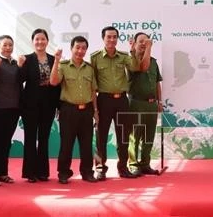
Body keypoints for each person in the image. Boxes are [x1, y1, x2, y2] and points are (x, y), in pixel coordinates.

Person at [91, 26, 141, 180]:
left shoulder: (124, 56)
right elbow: (92, 83)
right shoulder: (95, 57)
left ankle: (123, 167)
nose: (112, 40)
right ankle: (100, 168)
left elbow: (135, 67)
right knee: (101, 137)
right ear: (103, 38)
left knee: (123, 136)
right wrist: (94, 109)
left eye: (114, 37)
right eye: (108, 37)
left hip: (122, 101)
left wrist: (132, 50)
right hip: (104, 100)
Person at [50, 35, 98, 184]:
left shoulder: (89, 68)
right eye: (77, 47)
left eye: (83, 48)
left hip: (86, 111)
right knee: (66, 144)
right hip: (68, 110)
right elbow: (53, 81)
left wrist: (95, 112)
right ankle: (63, 173)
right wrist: (56, 60)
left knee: (86, 144)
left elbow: (93, 91)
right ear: (71, 48)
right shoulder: (63, 65)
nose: (80, 51)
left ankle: (87, 172)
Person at [19, 29, 60, 183]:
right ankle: (30, 172)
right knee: (30, 138)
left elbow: (57, 85)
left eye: (43, 39)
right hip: (30, 105)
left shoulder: (53, 59)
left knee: (44, 138)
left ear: (47, 41)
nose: (40, 42)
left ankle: (43, 172)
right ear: (32, 41)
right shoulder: (27, 59)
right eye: (37, 39)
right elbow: (20, 80)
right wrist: (20, 65)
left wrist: (58, 106)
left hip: (48, 105)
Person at [0, 35, 23, 186]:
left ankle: (3, 172)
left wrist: (20, 68)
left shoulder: (14, 63)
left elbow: (20, 82)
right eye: (5, 45)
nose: (8, 48)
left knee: (6, 142)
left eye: (10, 45)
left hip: (12, 108)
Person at [128, 32, 161, 175]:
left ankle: (145, 163)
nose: (144, 43)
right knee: (134, 137)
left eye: (146, 41)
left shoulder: (154, 62)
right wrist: (148, 48)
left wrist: (159, 101)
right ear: (134, 44)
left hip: (151, 105)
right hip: (136, 103)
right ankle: (133, 165)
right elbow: (143, 67)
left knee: (149, 136)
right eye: (140, 41)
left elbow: (157, 83)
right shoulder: (131, 61)